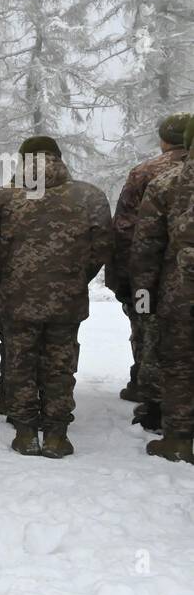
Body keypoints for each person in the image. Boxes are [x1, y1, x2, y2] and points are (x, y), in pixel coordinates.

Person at [0, 136, 111, 457]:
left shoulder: (4, 199)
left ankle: (25, 433)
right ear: (58, 158)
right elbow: (102, 248)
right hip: (67, 300)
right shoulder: (89, 196)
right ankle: (56, 435)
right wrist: (75, 278)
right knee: (60, 366)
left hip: (17, 301)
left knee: (20, 364)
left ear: (23, 161)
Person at [110, 113, 189, 432]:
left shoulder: (146, 173)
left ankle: (150, 395)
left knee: (149, 330)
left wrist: (125, 280)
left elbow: (125, 229)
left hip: (155, 274)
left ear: (164, 139)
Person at [130, 119, 194, 462]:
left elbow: (145, 248)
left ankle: (179, 440)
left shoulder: (165, 183)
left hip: (179, 292)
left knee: (179, 364)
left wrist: (142, 297)